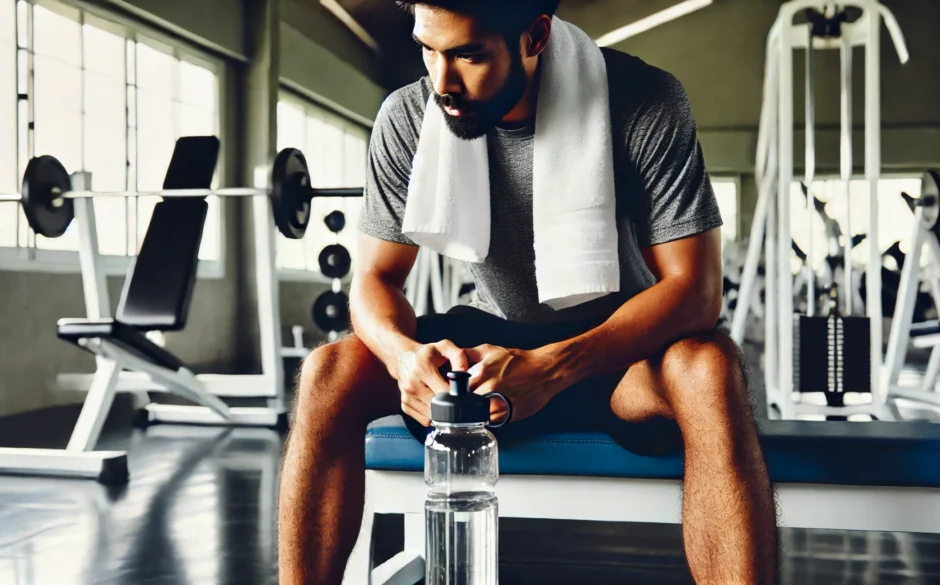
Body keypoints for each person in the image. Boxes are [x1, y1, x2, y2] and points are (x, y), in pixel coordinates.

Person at [277, 0, 778, 583]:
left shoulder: (644, 99)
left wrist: (553, 367)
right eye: (428, 50)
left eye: (468, 55)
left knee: (710, 367)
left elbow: (695, 290)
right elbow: (374, 278)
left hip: (615, 349)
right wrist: (404, 358)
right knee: (328, 371)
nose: (443, 82)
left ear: (535, 36)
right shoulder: (410, 114)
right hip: (490, 345)